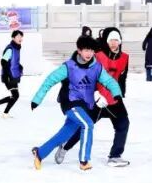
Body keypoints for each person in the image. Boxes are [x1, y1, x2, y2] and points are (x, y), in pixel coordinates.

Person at [30, 35, 122, 171]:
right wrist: (37, 99)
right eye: (86, 50)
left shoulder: (97, 67)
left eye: (91, 51)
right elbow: (50, 80)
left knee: (64, 134)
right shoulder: (69, 67)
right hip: (70, 102)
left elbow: (108, 81)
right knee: (87, 125)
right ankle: (84, 161)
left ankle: (40, 153)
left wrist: (116, 92)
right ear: (79, 50)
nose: (89, 54)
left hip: (85, 105)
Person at [54, 27, 131, 167]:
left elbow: (122, 78)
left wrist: (120, 95)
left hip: (113, 100)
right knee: (85, 126)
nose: (114, 43)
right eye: (111, 40)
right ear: (106, 41)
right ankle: (65, 147)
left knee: (123, 124)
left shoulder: (125, 57)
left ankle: (115, 156)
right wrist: (95, 94)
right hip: (95, 99)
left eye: (116, 40)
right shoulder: (97, 56)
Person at [0, 30, 25, 116]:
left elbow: (13, 61)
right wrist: (7, 75)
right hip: (9, 76)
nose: (20, 38)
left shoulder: (17, 48)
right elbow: (4, 62)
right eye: (18, 36)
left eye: (21, 37)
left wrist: (19, 66)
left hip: (14, 75)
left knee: (15, 96)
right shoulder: (10, 49)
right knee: (15, 95)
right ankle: (5, 113)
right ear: (13, 38)